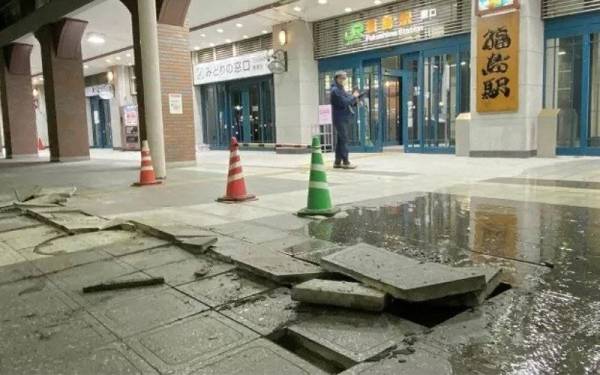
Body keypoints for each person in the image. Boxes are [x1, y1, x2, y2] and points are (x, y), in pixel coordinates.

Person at [330, 71, 359, 169]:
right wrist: (353, 97)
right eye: (343, 78)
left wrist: (356, 99)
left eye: (345, 78)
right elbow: (344, 102)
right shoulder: (335, 90)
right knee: (344, 139)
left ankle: (337, 162)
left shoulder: (341, 89)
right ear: (338, 78)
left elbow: (349, 100)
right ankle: (346, 162)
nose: (344, 80)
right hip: (340, 118)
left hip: (343, 117)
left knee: (341, 140)